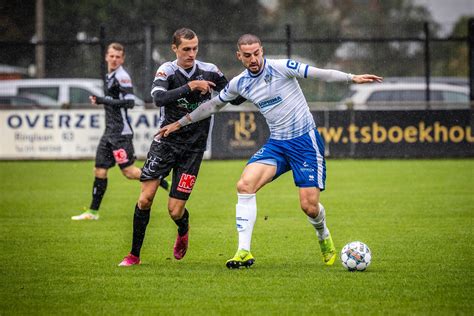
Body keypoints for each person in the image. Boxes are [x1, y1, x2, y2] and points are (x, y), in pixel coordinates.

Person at [157, 34, 383, 269]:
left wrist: (351, 77)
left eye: (256, 53)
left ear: (262, 51)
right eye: (247, 55)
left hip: (305, 142)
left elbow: (318, 73)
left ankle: (323, 234)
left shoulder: (282, 67)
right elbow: (213, 105)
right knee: (244, 185)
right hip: (277, 144)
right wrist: (179, 123)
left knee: (309, 206)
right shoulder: (240, 83)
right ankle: (243, 251)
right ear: (239, 56)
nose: (253, 59)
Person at [118, 28, 244, 266]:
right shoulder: (167, 70)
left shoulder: (211, 70)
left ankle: (183, 229)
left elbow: (235, 97)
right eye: (186, 49)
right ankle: (134, 255)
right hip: (165, 143)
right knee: (145, 199)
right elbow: (158, 98)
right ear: (174, 48)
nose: (191, 53)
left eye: (195, 48)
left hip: (193, 150)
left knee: (175, 211)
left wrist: (249, 80)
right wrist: (191, 87)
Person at [71, 42, 169, 221]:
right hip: (109, 131)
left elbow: (130, 102)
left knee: (129, 172)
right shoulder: (110, 75)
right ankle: (93, 212)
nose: (114, 59)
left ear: (122, 59)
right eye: (112, 56)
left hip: (120, 133)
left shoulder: (122, 76)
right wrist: (105, 100)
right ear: (106, 56)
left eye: (118, 57)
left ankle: (158, 177)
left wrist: (103, 100)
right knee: (99, 170)